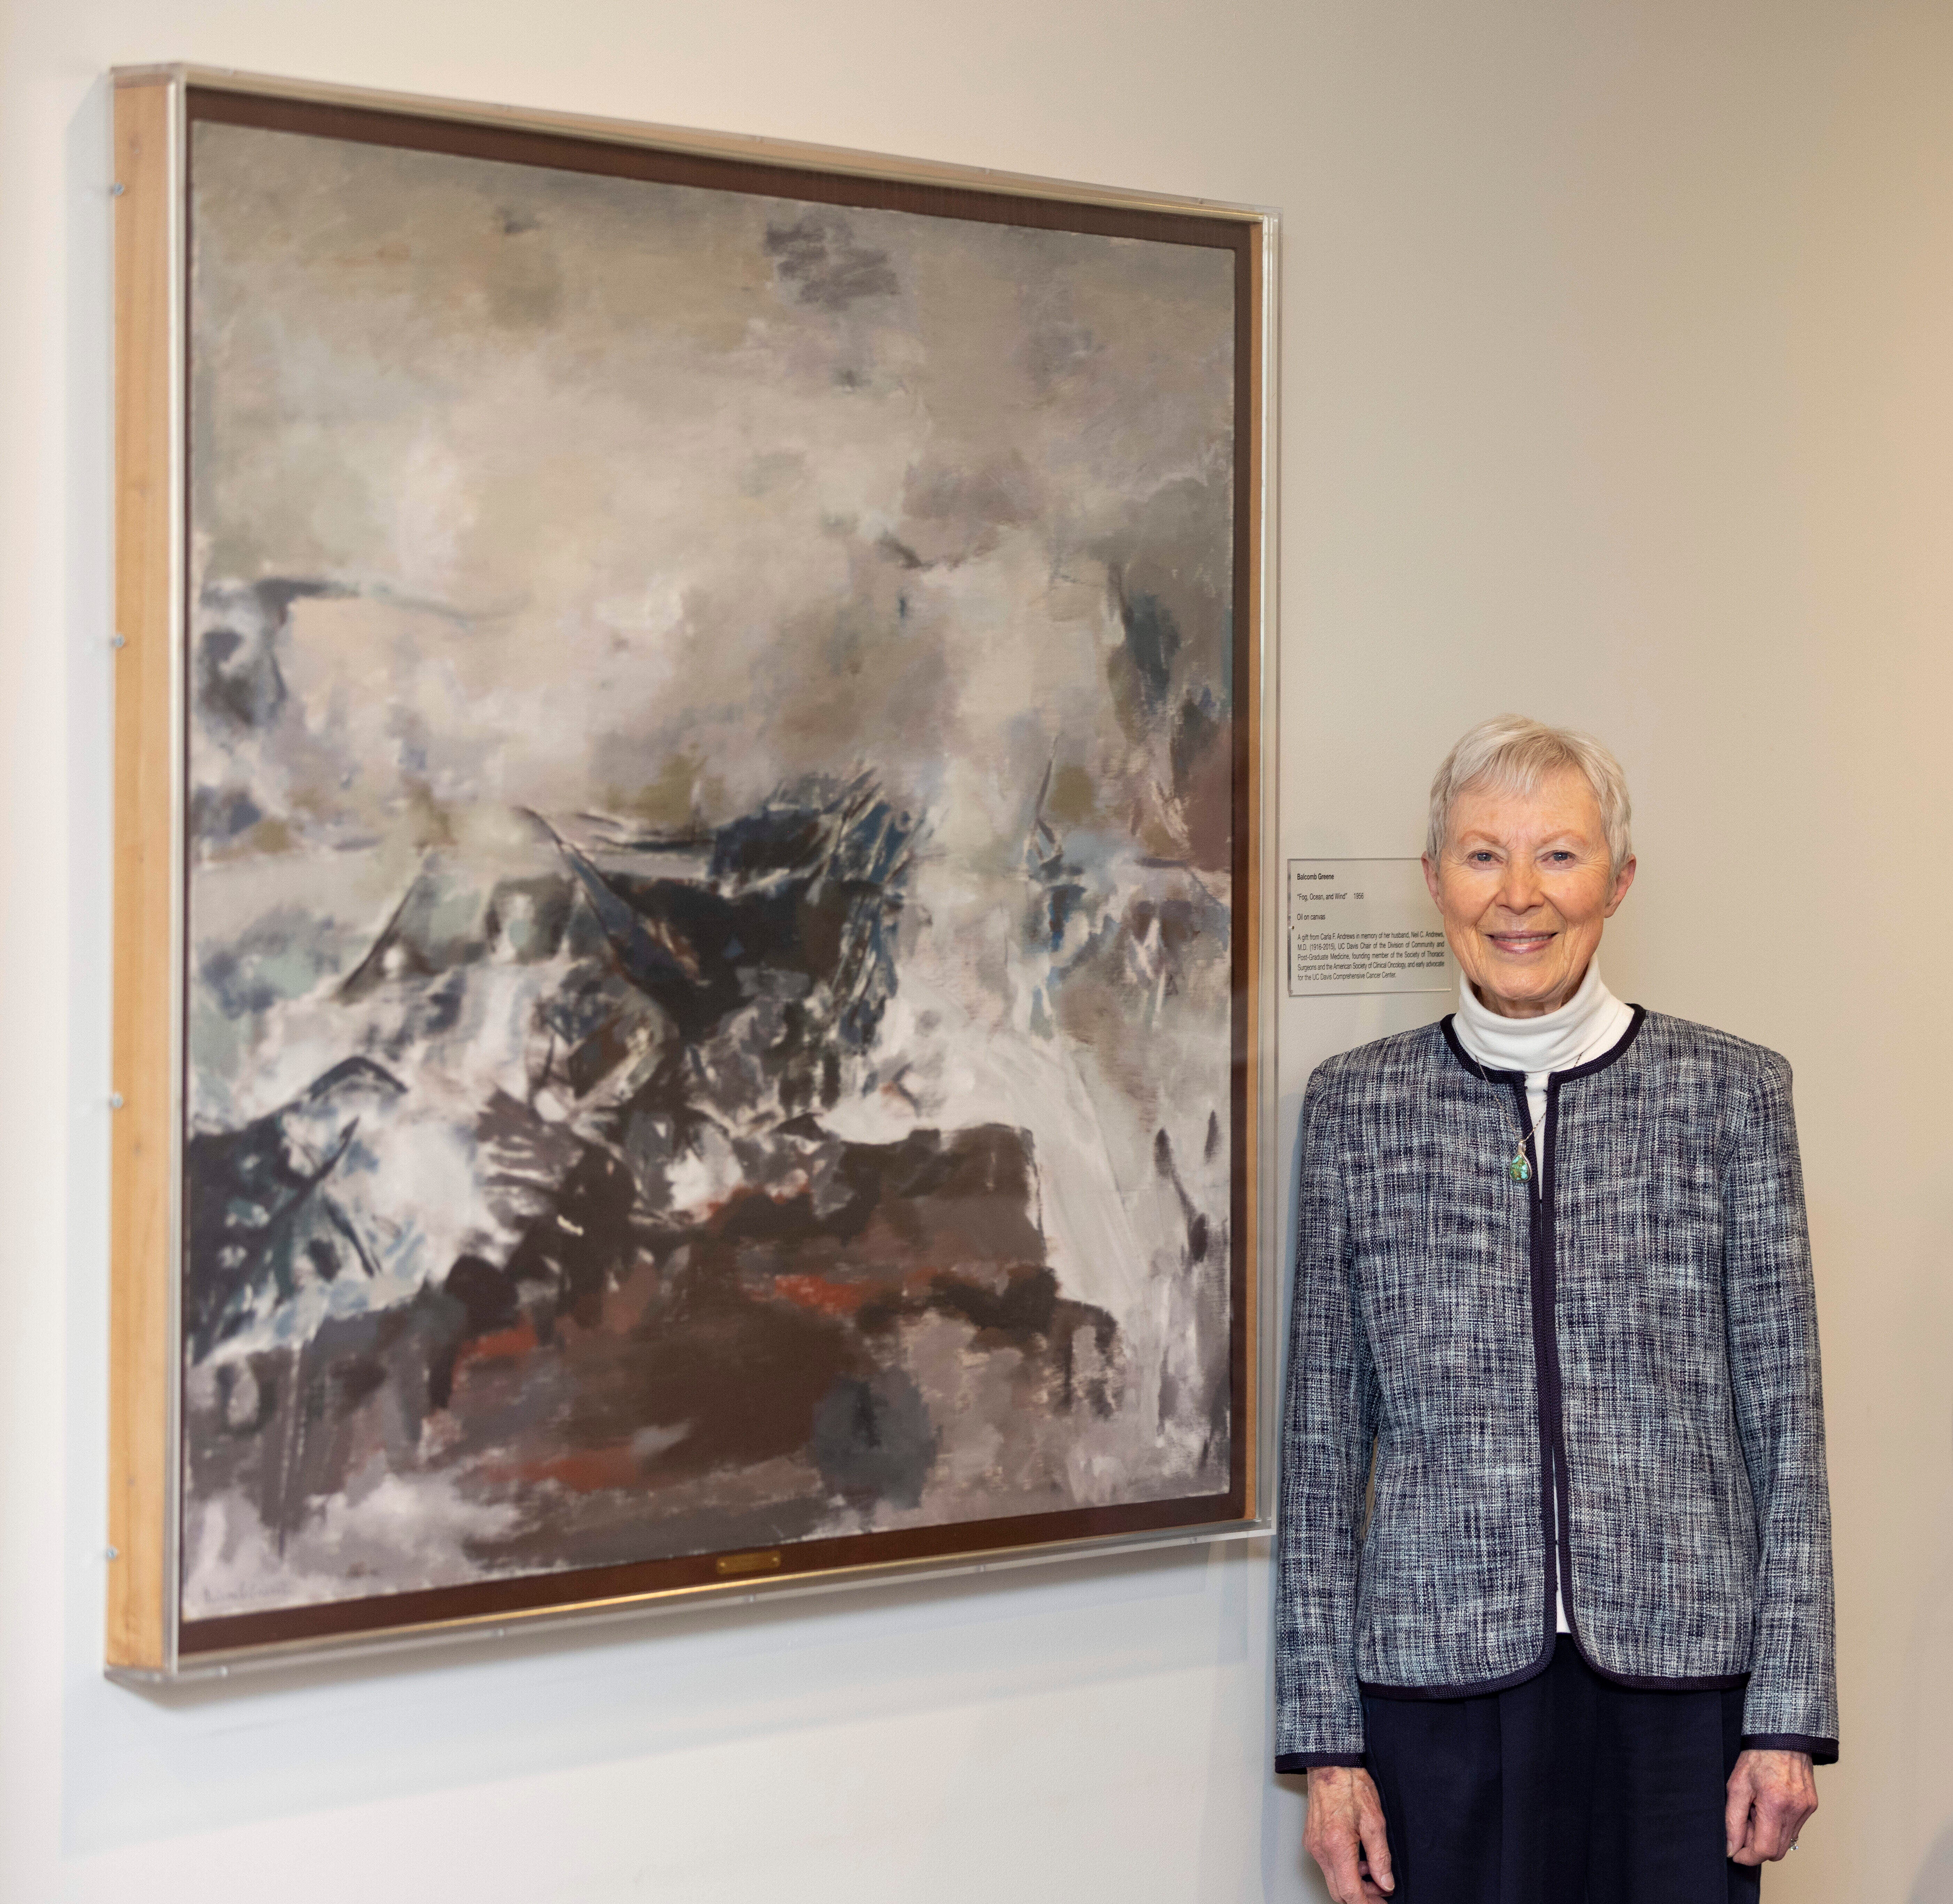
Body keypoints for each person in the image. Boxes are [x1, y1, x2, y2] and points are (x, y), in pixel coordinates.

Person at [1275, 716, 1836, 1904]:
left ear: (1619, 881)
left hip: (1684, 1693)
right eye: (1483, 856)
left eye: (1560, 856)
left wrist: (1787, 1713)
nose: (1519, 896)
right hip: (1436, 1695)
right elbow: (1321, 1452)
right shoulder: (1356, 1112)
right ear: (1435, 880)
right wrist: (1327, 1750)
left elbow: (1789, 1430)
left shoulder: (1733, 1095)